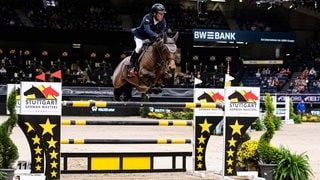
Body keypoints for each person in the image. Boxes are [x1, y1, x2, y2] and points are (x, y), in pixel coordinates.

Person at [127, 3, 167, 77]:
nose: (162, 16)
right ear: (154, 13)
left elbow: (162, 32)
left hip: (151, 39)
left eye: (163, 14)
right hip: (140, 36)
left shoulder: (163, 21)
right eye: (160, 14)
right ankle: (131, 67)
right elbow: (147, 30)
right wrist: (156, 35)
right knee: (139, 47)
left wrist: (162, 37)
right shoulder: (147, 18)